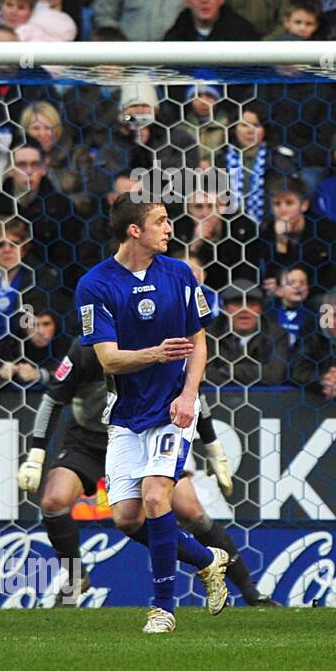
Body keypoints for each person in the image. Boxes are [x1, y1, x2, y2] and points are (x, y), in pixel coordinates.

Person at [16, 335, 277, 606]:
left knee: (191, 511)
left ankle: (250, 590)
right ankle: (74, 577)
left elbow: (190, 392)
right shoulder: (86, 347)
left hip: (146, 433)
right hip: (89, 439)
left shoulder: (155, 336)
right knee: (53, 501)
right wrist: (36, 454)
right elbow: (53, 398)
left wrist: (214, 448)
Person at [73, 197, 230, 634]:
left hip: (172, 409)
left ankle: (163, 608)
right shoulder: (95, 284)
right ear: (134, 231)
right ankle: (205, 559)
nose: (169, 227)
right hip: (125, 413)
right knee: (126, 516)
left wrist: (189, 394)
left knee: (158, 496)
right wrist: (155, 353)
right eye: (159, 221)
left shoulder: (179, 274)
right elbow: (108, 359)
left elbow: (199, 341)